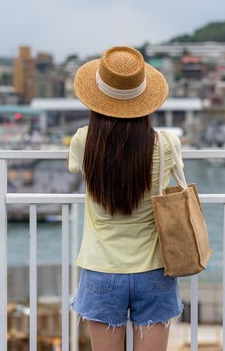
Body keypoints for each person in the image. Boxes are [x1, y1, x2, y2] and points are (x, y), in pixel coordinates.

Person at [68, 46, 183, 351]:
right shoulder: (167, 144)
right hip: (154, 270)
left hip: (102, 270)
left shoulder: (83, 141)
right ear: (145, 101)